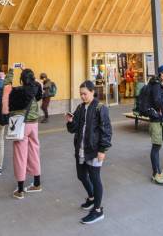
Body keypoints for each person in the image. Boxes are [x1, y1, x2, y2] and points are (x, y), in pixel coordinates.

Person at [66, 80, 112, 225]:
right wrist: (70, 121)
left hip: (94, 150)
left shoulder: (100, 108)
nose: (82, 96)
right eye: (81, 94)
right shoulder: (80, 107)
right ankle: (92, 198)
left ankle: (98, 211)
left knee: (95, 178)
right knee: (81, 175)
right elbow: (72, 129)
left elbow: (107, 130)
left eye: (85, 94)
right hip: (81, 149)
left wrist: (102, 150)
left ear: (92, 92)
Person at [4, 65, 43, 199]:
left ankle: (20, 190)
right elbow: (37, 85)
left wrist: (11, 71)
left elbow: (6, 87)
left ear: (21, 80)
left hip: (22, 125)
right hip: (34, 125)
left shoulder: (18, 91)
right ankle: (37, 183)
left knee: (20, 155)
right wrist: (26, 70)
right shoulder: (36, 88)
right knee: (34, 152)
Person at [144, 64, 163, 186]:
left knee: (158, 146)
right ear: (162, 74)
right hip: (156, 121)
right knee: (156, 147)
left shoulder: (161, 85)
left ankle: (159, 172)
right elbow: (158, 102)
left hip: (161, 120)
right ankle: (156, 174)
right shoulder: (156, 86)